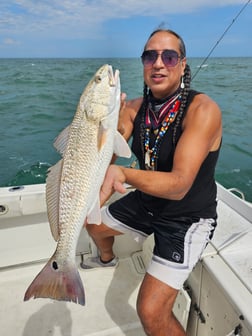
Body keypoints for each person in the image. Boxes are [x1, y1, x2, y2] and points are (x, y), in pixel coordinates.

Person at [82, 29, 222, 336]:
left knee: (150, 312)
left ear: (182, 64)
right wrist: (101, 123)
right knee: (92, 224)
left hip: (186, 217)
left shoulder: (203, 110)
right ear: (143, 63)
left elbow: (180, 184)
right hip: (147, 201)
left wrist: (125, 175)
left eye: (168, 56)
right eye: (150, 56)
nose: (158, 63)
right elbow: (103, 159)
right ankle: (106, 259)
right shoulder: (133, 108)